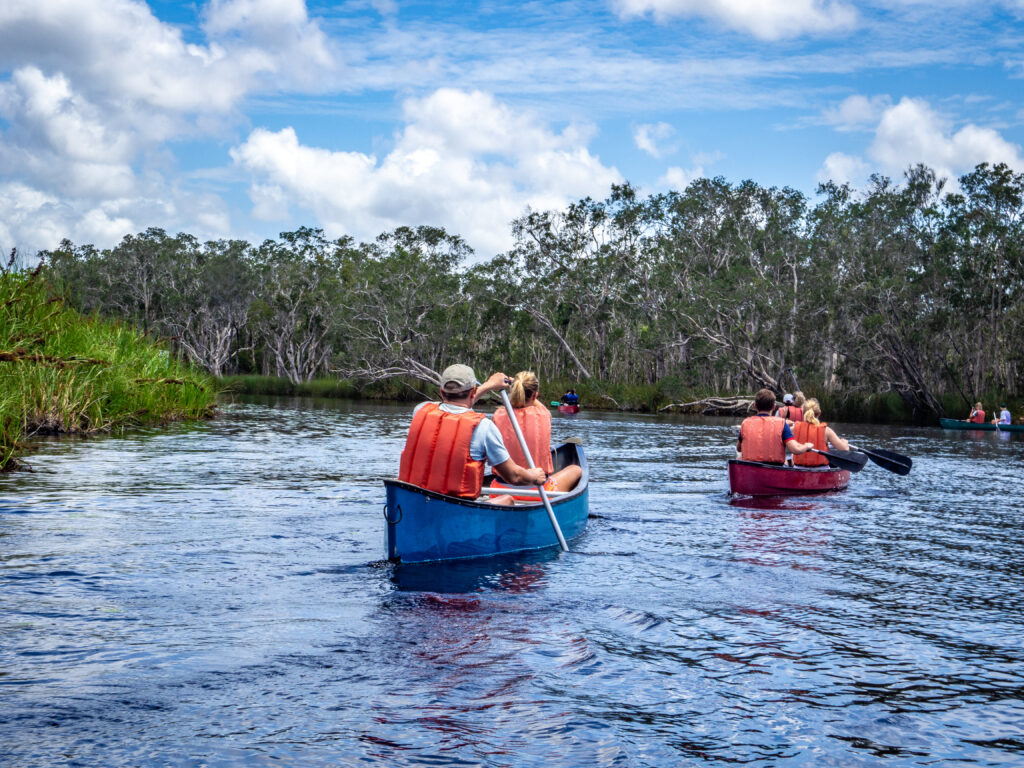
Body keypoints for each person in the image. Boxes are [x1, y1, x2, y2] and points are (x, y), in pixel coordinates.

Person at [398, 364, 577, 506]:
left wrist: (488, 386)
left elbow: (454, 409)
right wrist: (534, 476)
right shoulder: (483, 427)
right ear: (472, 392)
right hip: (462, 504)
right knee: (574, 469)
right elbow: (514, 476)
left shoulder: (419, 411)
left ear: (442, 391)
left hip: (417, 501)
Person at [492, 371, 582, 499]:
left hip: (499, 491)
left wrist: (516, 388)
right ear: (535, 396)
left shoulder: (498, 415)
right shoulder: (543, 414)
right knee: (575, 469)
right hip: (538, 492)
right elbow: (544, 410)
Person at [736, 388, 815, 465]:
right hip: (774, 468)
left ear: (755, 406)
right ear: (773, 407)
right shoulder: (782, 424)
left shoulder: (745, 423)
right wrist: (806, 446)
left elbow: (739, 448)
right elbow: (795, 450)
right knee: (787, 462)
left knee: (738, 458)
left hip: (750, 468)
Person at [792, 398, 849, 467]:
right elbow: (845, 449)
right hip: (821, 470)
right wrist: (845, 442)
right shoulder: (827, 431)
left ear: (802, 413)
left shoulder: (794, 428)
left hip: (798, 469)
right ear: (819, 413)